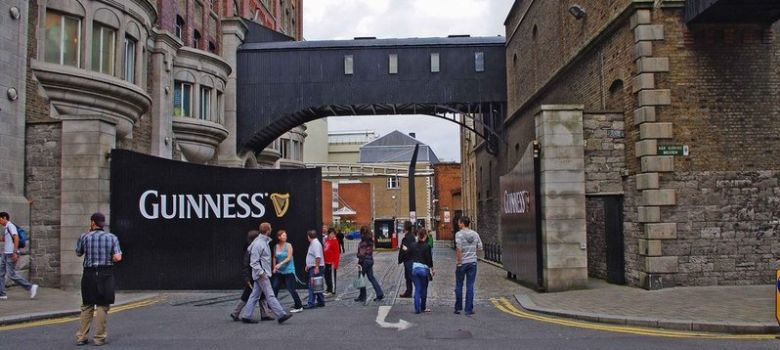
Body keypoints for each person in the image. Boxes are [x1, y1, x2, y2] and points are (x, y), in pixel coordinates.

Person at [74, 213, 121, 346]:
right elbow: (118, 257)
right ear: (103, 224)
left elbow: (78, 252)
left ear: (93, 223)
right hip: (105, 273)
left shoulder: (85, 237)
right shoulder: (111, 237)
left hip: (89, 273)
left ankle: (81, 337)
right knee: (102, 305)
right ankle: (99, 338)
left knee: (87, 305)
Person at [239, 222, 292, 324]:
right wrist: (262, 273)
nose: (271, 229)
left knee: (254, 295)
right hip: (262, 275)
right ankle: (281, 315)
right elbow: (254, 262)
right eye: (270, 228)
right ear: (267, 230)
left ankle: (246, 316)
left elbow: (252, 255)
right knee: (270, 295)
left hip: (260, 274)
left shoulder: (259, 242)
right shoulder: (259, 243)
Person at [230, 230, 275, 321]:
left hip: (257, 274)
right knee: (247, 295)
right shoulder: (250, 248)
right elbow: (246, 265)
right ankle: (235, 313)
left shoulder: (253, 246)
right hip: (253, 276)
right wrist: (247, 278)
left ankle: (264, 314)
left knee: (262, 294)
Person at [0, 212, 37, 300]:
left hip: (11, 253)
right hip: (5, 253)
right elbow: (5, 239)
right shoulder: (6, 228)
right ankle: (2, 294)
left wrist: (15, 252)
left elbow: (16, 237)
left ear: (4, 218)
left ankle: (31, 287)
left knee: (11, 275)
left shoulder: (10, 226)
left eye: (0, 219)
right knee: (0, 273)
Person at [454, 216, 482, 315]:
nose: (458, 224)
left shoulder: (459, 234)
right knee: (470, 285)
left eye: (459, 222)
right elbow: (480, 247)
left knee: (459, 285)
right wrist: (474, 255)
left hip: (462, 263)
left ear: (462, 223)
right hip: (472, 263)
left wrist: (459, 262)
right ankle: (469, 309)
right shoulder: (475, 234)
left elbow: (459, 249)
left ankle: (458, 308)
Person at [271, 229, 303, 313]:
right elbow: (274, 258)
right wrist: (274, 267)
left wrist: (280, 264)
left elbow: (289, 257)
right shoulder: (275, 246)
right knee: (274, 288)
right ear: (279, 237)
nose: (285, 237)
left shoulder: (289, 245)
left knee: (291, 289)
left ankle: (299, 306)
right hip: (279, 272)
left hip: (289, 271)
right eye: (283, 235)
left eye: (285, 235)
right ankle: (272, 307)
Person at [355, 226, 384, 303]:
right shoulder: (370, 240)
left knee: (361, 278)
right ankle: (379, 293)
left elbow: (361, 253)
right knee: (371, 278)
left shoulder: (363, 242)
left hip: (363, 261)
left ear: (362, 233)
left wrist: (357, 255)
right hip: (370, 261)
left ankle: (362, 296)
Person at [409, 227, 434, 314]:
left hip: (415, 269)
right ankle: (423, 307)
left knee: (417, 289)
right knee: (424, 289)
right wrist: (432, 269)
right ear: (425, 236)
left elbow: (409, 255)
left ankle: (417, 308)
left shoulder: (413, 245)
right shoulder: (427, 246)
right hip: (424, 270)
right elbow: (429, 260)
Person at [303, 230, 326, 309]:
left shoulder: (315, 244)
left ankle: (311, 303)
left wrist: (316, 267)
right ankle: (321, 301)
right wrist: (308, 265)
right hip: (313, 266)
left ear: (308, 236)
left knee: (312, 285)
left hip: (316, 267)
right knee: (317, 285)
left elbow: (318, 257)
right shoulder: (314, 243)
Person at [397, 220, 415, 298]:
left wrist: (403, 251)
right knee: (407, 277)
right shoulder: (410, 236)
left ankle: (418, 292)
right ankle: (408, 292)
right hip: (408, 259)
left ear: (406, 227)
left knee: (411, 276)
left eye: (403, 226)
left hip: (408, 259)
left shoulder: (408, 237)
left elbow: (408, 249)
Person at [323, 228, 340, 296]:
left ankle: (332, 290)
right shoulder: (327, 240)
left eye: (333, 233)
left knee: (331, 277)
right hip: (326, 262)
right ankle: (328, 288)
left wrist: (335, 263)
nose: (332, 235)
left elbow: (337, 253)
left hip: (332, 263)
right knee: (326, 276)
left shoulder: (335, 241)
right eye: (331, 233)